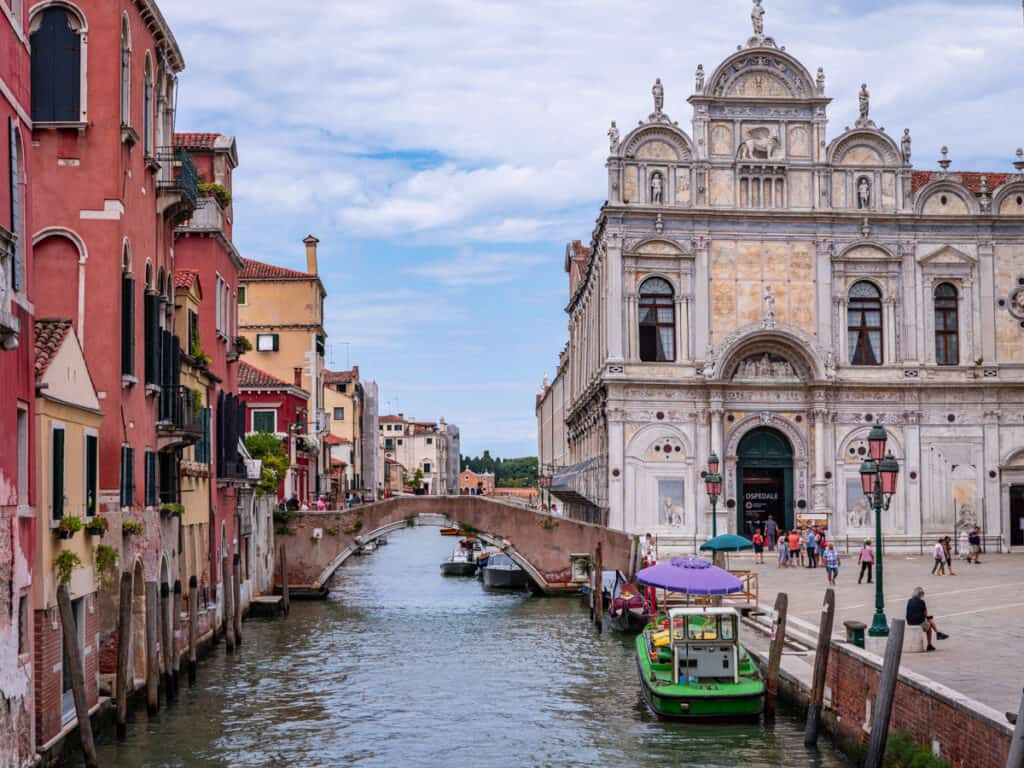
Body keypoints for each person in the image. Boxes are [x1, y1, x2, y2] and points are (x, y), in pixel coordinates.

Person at [906, 586, 948, 651]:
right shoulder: (922, 602)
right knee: (929, 625)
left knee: (928, 621)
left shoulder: (909, 601)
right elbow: (925, 614)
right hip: (918, 622)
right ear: (921, 594)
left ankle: (938, 633)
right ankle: (930, 643)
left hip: (910, 622)